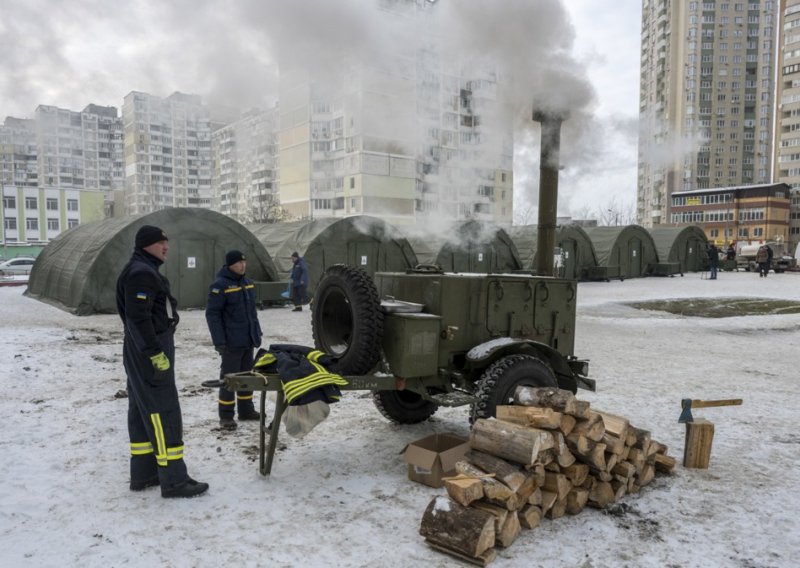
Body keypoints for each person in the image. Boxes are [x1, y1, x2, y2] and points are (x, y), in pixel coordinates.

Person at [116, 225, 208, 498]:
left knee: (141, 409)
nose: (166, 247)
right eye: (160, 243)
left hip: (141, 348)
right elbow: (138, 317)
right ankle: (174, 479)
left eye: (167, 242)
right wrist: (154, 352)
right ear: (146, 245)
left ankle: (145, 473)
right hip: (150, 350)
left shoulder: (142, 269)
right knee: (162, 410)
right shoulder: (141, 273)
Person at [205, 250, 263, 430]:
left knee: (247, 376)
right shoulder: (220, 285)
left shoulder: (247, 283)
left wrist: (257, 333)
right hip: (231, 342)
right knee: (229, 379)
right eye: (238, 263)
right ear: (230, 265)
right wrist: (219, 342)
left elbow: (252, 313)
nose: (243, 265)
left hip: (248, 339)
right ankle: (226, 415)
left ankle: (246, 410)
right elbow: (212, 315)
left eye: (244, 262)